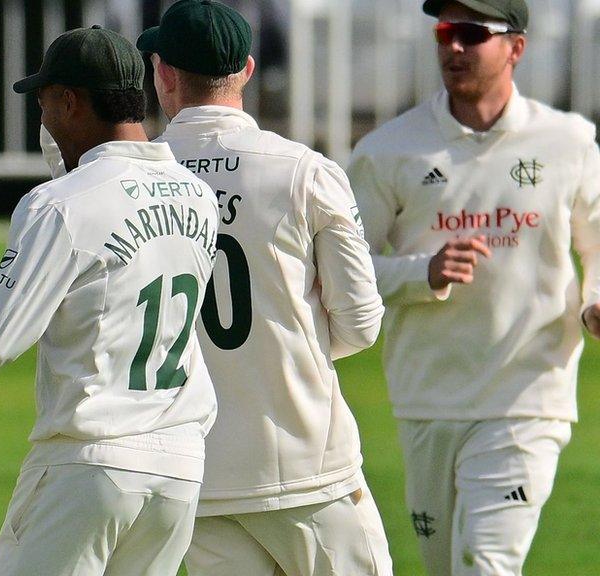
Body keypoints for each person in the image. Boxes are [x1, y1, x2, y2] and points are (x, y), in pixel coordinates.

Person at [0, 25, 220, 576]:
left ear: (70, 102)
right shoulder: (197, 194)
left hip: (90, 463)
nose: (42, 119)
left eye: (46, 103)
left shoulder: (57, 206)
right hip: (179, 470)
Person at [132, 1, 394, 574]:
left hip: (193, 472)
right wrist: (292, 349)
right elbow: (361, 325)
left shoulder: (134, 181)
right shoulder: (305, 171)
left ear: (164, 74)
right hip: (310, 470)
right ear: (248, 70)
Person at [348, 0, 600, 574]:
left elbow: (596, 245)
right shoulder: (388, 149)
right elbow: (343, 268)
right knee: (444, 566)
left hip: (528, 396)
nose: (452, 47)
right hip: (427, 396)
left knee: (486, 564)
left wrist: (593, 302)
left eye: (469, 33)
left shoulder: (569, 142)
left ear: (516, 47)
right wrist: (421, 271)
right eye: (443, 32)